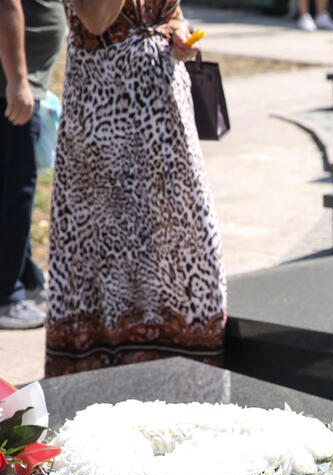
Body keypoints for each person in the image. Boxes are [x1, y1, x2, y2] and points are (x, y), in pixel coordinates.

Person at [44, 0, 227, 375]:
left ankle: (184, 359)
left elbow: (171, 14)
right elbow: (96, 21)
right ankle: (107, 360)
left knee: (182, 235)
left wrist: (180, 35)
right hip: (105, 108)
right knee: (110, 241)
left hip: (165, 110)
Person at [0, 0, 65, 329]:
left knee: (12, 185)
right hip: (11, 88)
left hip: (20, 84)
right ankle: (6, 296)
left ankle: (27, 278)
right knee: (16, 189)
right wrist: (17, 81)